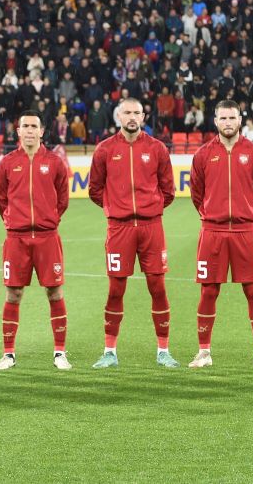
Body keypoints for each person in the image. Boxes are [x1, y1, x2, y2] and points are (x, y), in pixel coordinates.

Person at [88, 98, 179, 368]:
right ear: (118, 116)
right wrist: (116, 208)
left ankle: (163, 350)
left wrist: (150, 209)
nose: (131, 117)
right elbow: (95, 189)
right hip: (119, 228)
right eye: (127, 112)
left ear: (143, 116)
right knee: (116, 289)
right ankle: (109, 352)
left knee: (157, 287)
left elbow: (169, 190)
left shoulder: (157, 148)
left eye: (136, 113)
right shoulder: (105, 149)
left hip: (152, 228)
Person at [187, 100, 253, 369]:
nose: (227, 123)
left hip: (246, 232)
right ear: (215, 121)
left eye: (232, 118)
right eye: (223, 118)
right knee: (208, 292)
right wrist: (213, 213)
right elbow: (197, 195)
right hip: (213, 231)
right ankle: (203, 352)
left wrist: (247, 214)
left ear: (240, 119)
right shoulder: (202, 155)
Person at [0, 111, 71, 371]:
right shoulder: (6, 163)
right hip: (17, 238)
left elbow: (62, 199)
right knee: (13, 294)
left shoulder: (55, 163)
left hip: (48, 237)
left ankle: (60, 353)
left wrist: (48, 220)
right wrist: (15, 220)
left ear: (41, 131)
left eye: (33, 126)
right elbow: (2, 199)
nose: (28, 130)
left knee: (55, 291)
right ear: (18, 131)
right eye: (24, 125)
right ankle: (8, 354)